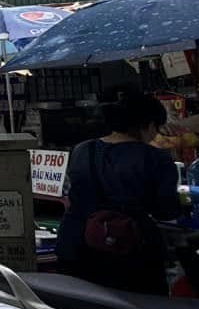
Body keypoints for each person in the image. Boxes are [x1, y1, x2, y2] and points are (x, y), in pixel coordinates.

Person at [57, 91, 180, 295]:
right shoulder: (156, 158)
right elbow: (166, 210)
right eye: (157, 128)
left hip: (76, 246)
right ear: (149, 124)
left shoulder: (82, 150)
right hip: (128, 251)